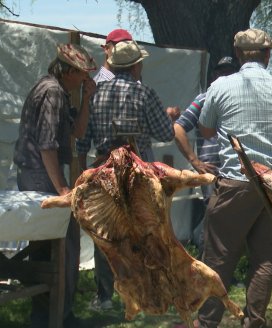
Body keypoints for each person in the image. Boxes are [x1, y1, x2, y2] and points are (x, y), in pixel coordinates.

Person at [196, 28, 272, 328]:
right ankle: (255, 321)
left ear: (239, 54)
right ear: (267, 54)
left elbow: (205, 129)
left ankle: (207, 321)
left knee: (218, 257)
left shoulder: (222, 85)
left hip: (237, 180)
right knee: (264, 259)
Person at [13, 43, 97, 328]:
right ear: (69, 71)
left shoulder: (55, 90)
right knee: (63, 246)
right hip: (41, 174)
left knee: (49, 247)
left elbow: (77, 131)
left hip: (37, 172)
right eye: (82, 75)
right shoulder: (52, 92)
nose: (85, 79)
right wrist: (61, 188)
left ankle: (49, 315)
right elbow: (47, 145)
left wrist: (86, 99)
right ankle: (56, 315)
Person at [76, 28, 133, 312]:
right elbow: (84, 131)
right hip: (109, 166)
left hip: (125, 166)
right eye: (121, 46)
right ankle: (108, 293)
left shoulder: (121, 81)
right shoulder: (97, 83)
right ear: (107, 49)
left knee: (125, 233)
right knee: (108, 233)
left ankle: (122, 293)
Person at [173, 56, 237, 254]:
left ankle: (219, 266)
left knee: (229, 218)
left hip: (236, 166)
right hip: (212, 168)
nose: (225, 75)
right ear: (214, 75)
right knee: (214, 215)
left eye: (230, 72)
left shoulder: (239, 98)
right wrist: (195, 161)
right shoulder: (204, 98)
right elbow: (178, 128)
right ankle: (208, 263)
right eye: (222, 71)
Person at [76, 39, 175, 167]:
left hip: (105, 167)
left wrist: (83, 169)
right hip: (139, 169)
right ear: (135, 66)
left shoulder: (95, 93)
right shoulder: (145, 94)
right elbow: (166, 134)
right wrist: (170, 119)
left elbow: (82, 140)